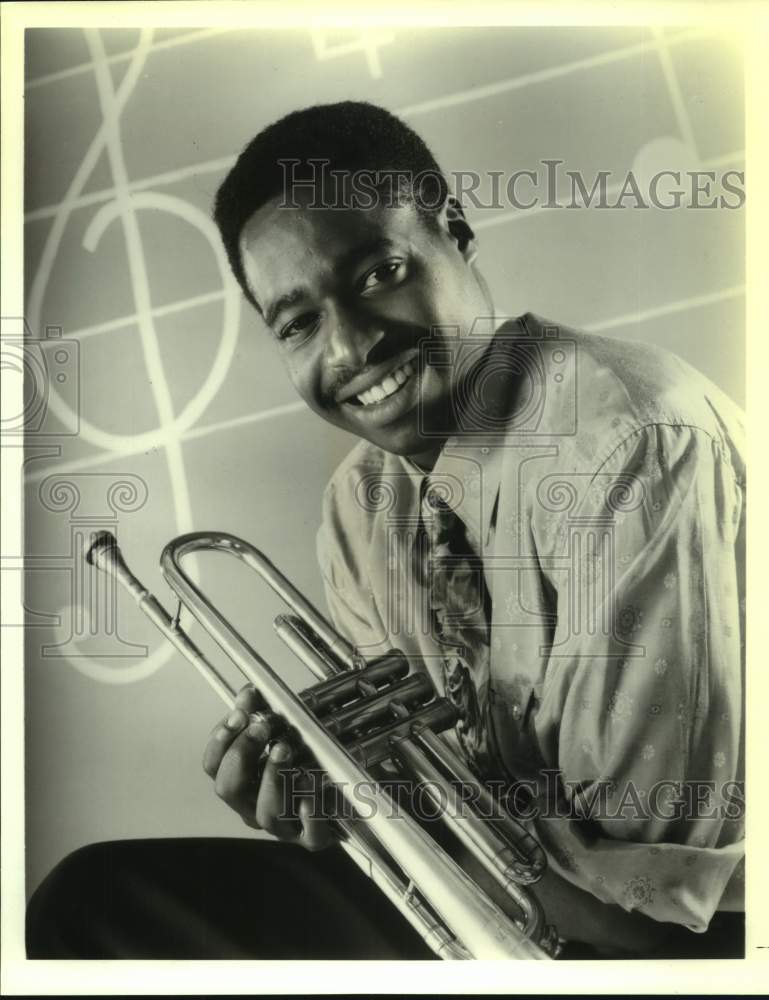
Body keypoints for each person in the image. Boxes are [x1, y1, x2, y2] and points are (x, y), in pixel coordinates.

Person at [27, 101, 745, 960]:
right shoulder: (358, 506)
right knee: (100, 902)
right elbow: (432, 807)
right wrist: (334, 802)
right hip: (494, 912)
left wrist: (388, 808)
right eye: (297, 323)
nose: (352, 345)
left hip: (677, 948)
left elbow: (650, 897)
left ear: (455, 231)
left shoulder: (626, 445)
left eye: (377, 274)